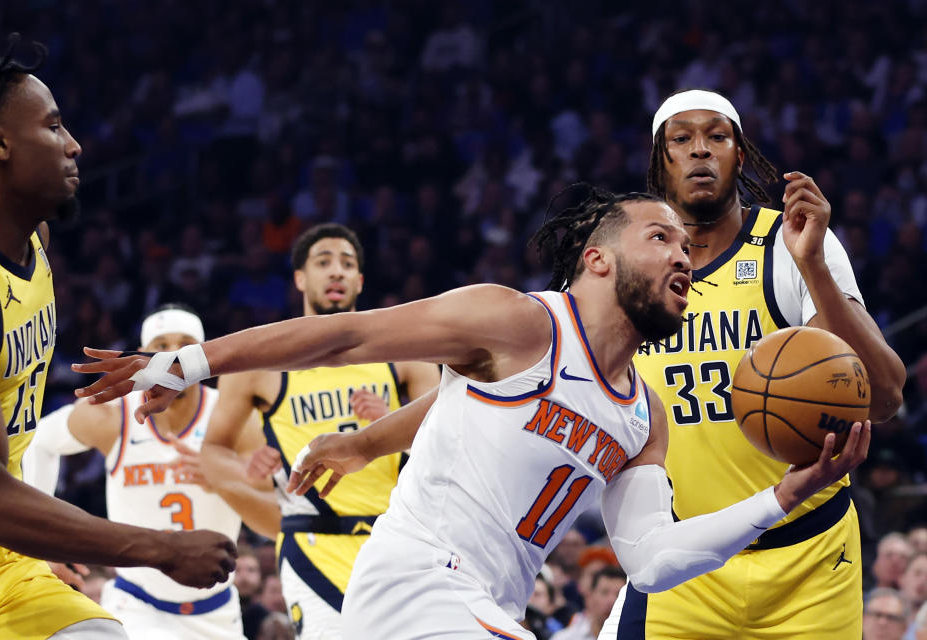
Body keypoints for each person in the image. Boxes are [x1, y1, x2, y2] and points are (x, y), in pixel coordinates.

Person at [74, 189, 870, 639]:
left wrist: (785, 496)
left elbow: (654, 562)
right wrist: (181, 361)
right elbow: (346, 334)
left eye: (688, 251)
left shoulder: (641, 416)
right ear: (599, 258)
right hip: (418, 580)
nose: (683, 257)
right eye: (661, 238)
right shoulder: (517, 322)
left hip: (479, 605)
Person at [599, 89, 906, 640]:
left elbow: (884, 397)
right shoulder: (630, 269)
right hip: (686, 559)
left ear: (739, 155)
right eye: (682, 139)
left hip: (808, 557)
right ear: (659, 160)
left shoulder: (794, 243)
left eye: (717, 137)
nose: (700, 151)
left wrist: (813, 265)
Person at [0, 36, 234, 639]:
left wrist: (34, 539)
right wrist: (159, 548)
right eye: (54, 126)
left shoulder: (35, 241)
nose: (74, 145)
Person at [197, 223, 441, 638]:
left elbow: (447, 441)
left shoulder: (406, 355)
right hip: (312, 544)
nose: (336, 272)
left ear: (360, 281)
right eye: (323, 262)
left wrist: (395, 423)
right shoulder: (263, 363)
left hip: (397, 539)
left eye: (347, 264)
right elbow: (214, 452)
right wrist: (251, 484)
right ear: (299, 278)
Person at [24, 304, 271, 639]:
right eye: (161, 346)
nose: (172, 355)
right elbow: (39, 442)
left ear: (203, 354)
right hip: (137, 605)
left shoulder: (233, 418)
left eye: (185, 344)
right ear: (143, 356)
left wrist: (226, 481)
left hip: (218, 609)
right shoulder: (114, 415)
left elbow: (272, 504)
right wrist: (40, 545)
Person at [551, 567, 626, 640]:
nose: (611, 601)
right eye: (604, 592)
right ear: (590, 597)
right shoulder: (565, 638)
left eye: (619, 594)